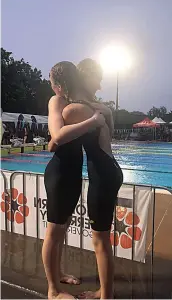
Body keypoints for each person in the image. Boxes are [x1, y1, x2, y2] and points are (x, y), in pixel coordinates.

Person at [48, 59, 123, 299]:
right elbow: (108, 132)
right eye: (97, 79)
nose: (100, 85)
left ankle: (105, 296)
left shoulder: (74, 109)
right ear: (84, 79)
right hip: (107, 171)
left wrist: (53, 141)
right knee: (96, 238)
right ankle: (99, 292)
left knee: (100, 241)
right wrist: (101, 115)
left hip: (101, 175)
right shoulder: (99, 109)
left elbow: (56, 139)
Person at [43, 61, 105, 299]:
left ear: (61, 84)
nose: (50, 86)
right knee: (54, 232)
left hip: (72, 172)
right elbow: (58, 135)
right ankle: (53, 290)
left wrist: (56, 141)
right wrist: (92, 122)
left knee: (62, 230)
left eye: (51, 81)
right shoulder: (56, 101)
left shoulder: (73, 104)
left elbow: (54, 142)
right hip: (59, 174)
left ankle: (57, 275)